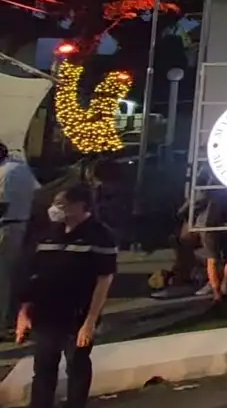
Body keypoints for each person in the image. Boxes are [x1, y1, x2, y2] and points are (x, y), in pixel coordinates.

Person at [16, 184, 117, 408]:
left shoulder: (100, 235)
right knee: (43, 368)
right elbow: (34, 275)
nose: (55, 209)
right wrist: (24, 313)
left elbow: (104, 280)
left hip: (77, 313)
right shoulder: (49, 234)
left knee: (77, 365)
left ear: (80, 206)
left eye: (62, 204)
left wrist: (90, 322)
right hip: (46, 313)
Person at [0, 143, 38, 329]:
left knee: (3, 277)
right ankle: (8, 318)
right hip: (20, 224)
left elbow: (2, 205)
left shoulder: (5, 173)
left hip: (6, 226)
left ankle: (3, 322)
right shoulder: (22, 168)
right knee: (10, 276)